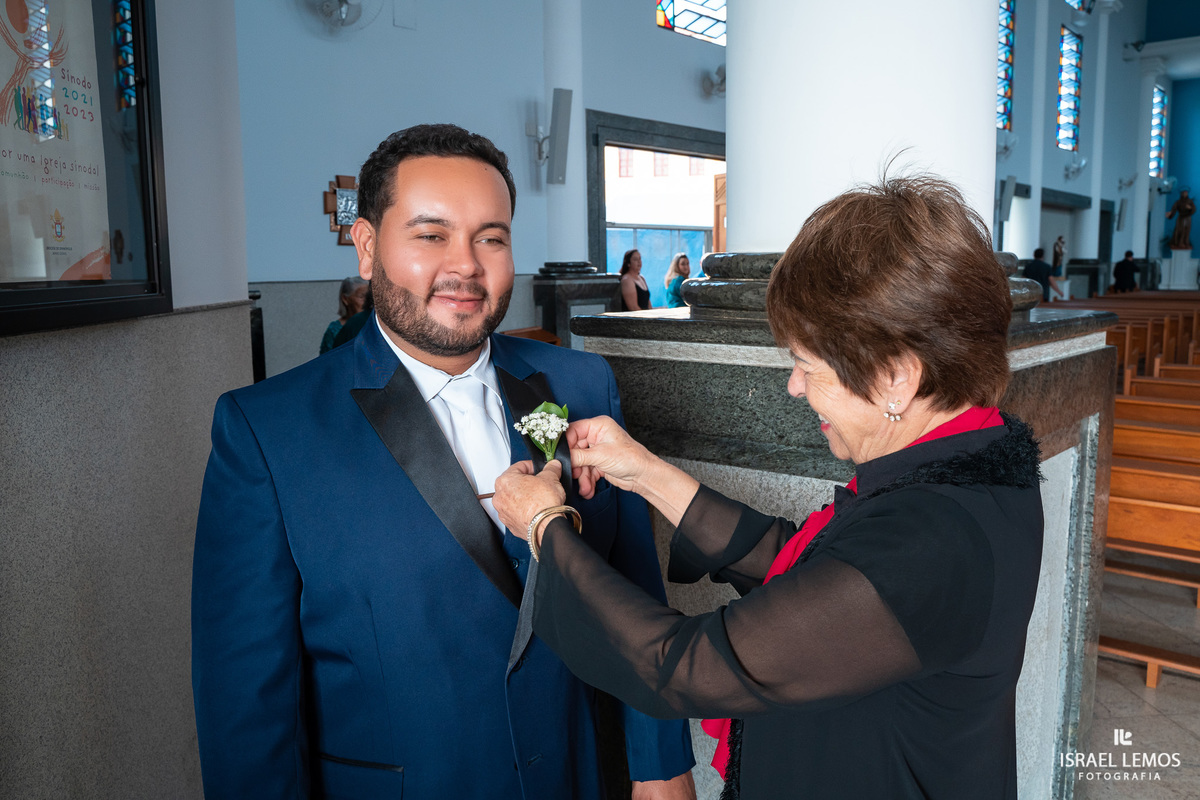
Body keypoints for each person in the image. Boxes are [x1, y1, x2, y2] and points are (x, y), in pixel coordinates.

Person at [493, 175, 1044, 799]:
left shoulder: (935, 538)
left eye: (807, 366)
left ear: (896, 376)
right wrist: (644, 471)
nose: (795, 387)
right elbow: (813, 575)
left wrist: (544, 526)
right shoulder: (968, 463)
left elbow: (684, 667)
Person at [192, 124, 695, 799]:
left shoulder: (580, 386)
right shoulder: (267, 431)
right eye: (431, 236)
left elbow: (633, 595)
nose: (466, 266)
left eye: (491, 237)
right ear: (367, 248)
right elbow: (246, 699)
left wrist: (661, 767)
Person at [320, 275, 369, 354]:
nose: (367, 302)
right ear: (345, 299)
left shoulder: (372, 323)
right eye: (361, 297)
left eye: (369, 297)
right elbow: (325, 361)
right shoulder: (335, 330)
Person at [1051, 235, 1068, 299]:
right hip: (1057, 259)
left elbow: (1065, 251)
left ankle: (1058, 275)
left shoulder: (1061, 245)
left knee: (1060, 266)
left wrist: (1063, 245)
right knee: (1057, 266)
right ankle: (1056, 275)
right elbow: (1057, 251)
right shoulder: (1056, 244)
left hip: (1060, 259)